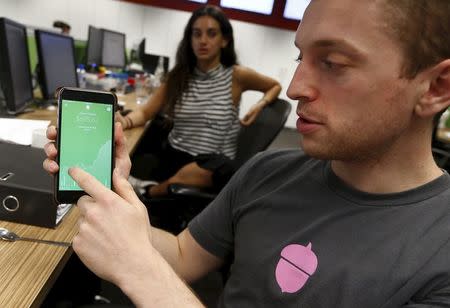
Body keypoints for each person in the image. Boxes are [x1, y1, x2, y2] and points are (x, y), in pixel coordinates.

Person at [43, 0, 450, 306]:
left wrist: (142, 273)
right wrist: (103, 190)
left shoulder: (438, 256)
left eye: (333, 62)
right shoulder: (268, 173)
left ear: (435, 88)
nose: (294, 87)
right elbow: (184, 257)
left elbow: (155, 272)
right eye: (300, 57)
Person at [117, 5, 281, 197]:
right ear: (190, 39)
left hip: (212, 164)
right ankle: (157, 186)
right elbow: (145, 112)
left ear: (224, 40)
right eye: (197, 34)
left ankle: (149, 190)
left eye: (211, 34)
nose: (203, 41)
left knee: (224, 168)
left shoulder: (237, 75)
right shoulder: (179, 76)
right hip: (174, 155)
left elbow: (275, 86)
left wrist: (260, 104)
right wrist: (125, 121)